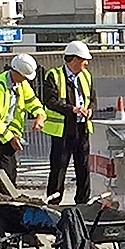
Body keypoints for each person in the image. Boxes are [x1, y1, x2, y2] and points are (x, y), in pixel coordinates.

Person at [0, 54, 45, 193]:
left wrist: (39, 115)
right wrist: (10, 137)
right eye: (25, 76)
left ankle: (3, 207)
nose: (27, 80)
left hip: (5, 138)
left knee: (8, 176)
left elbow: (32, 102)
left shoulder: (21, 84)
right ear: (16, 72)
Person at [43, 41, 95, 204]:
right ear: (74, 60)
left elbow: (92, 98)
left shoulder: (86, 76)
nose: (86, 63)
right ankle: (54, 203)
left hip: (82, 128)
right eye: (84, 60)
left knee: (83, 167)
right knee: (59, 168)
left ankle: (82, 202)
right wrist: (72, 109)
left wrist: (90, 109)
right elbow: (50, 101)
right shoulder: (54, 75)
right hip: (63, 130)